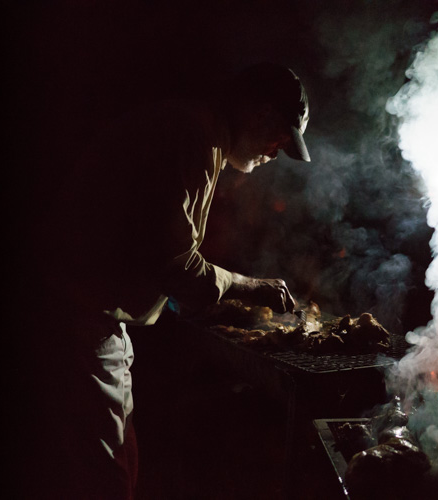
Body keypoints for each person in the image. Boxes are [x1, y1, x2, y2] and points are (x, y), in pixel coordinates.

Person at [22, 62, 311, 499]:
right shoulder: (193, 135)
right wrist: (248, 287)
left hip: (88, 316)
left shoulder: (196, 129)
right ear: (260, 113)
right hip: (79, 315)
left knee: (118, 460)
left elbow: (156, 250)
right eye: (282, 137)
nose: (276, 152)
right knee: (102, 477)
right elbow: (173, 263)